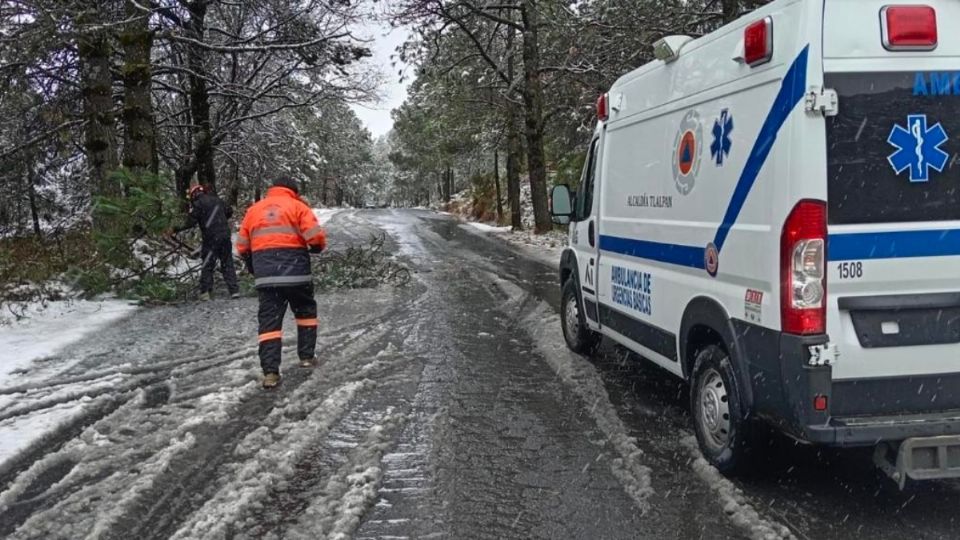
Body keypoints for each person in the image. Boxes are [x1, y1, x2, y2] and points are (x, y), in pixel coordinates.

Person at [236, 176, 327, 389]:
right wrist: (316, 248)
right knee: (305, 313)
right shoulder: (298, 207)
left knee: (269, 324)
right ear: (292, 191)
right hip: (297, 274)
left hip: (266, 278)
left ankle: (270, 372)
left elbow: (241, 246)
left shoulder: (253, 210)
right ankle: (306, 356)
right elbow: (315, 238)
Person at [174, 184, 240, 300]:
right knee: (227, 263)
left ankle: (205, 292)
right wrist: (220, 219)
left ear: (194, 195)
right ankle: (234, 290)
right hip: (225, 236)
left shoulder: (198, 204)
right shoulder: (217, 200)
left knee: (208, 264)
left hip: (211, 238)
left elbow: (190, 222)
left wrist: (174, 229)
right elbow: (229, 211)